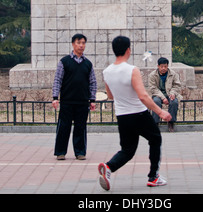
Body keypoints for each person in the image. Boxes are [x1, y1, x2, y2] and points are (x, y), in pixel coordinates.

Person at [98, 36, 171, 191]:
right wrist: (160, 112)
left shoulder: (107, 72)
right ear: (128, 50)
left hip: (122, 116)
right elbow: (143, 96)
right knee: (155, 138)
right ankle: (154, 176)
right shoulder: (132, 70)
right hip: (138, 113)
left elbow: (110, 96)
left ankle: (108, 167)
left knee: (127, 150)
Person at [52, 33, 97, 160]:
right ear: (73, 44)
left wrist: (92, 99)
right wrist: (55, 97)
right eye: (79, 43)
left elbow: (93, 82)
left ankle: (80, 152)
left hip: (82, 101)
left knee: (81, 128)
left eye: (83, 43)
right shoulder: (64, 62)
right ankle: (60, 152)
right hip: (67, 100)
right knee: (63, 127)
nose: (81, 45)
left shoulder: (88, 63)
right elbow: (57, 80)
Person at [148, 57, 182, 132]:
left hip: (169, 93)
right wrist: (163, 98)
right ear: (158, 66)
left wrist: (173, 93)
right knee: (156, 102)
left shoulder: (173, 74)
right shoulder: (152, 75)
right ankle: (155, 123)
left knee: (174, 102)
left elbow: (177, 85)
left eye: (165, 66)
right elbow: (153, 88)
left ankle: (171, 122)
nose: (163, 68)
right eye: (161, 66)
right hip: (158, 95)